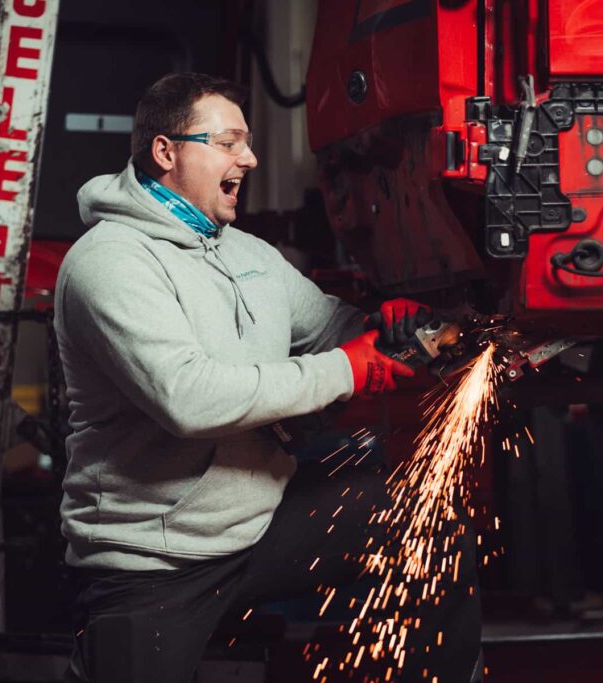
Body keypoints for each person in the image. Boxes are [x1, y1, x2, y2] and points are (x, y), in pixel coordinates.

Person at [54, 72, 481, 683]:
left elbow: (328, 326)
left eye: (247, 142)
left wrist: (390, 328)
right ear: (166, 151)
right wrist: (348, 367)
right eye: (229, 142)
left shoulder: (246, 253)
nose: (248, 158)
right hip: (152, 556)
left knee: (426, 518)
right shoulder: (108, 262)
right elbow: (189, 397)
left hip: (261, 522)